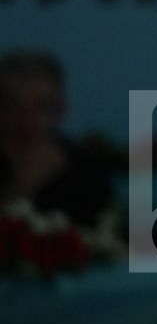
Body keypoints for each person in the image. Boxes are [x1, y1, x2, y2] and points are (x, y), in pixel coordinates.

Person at [0, 49, 117, 231]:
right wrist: (21, 185)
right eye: (11, 104)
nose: (27, 118)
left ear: (60, 109)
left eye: (42, 105)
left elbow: (109, 240)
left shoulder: (86, 169)